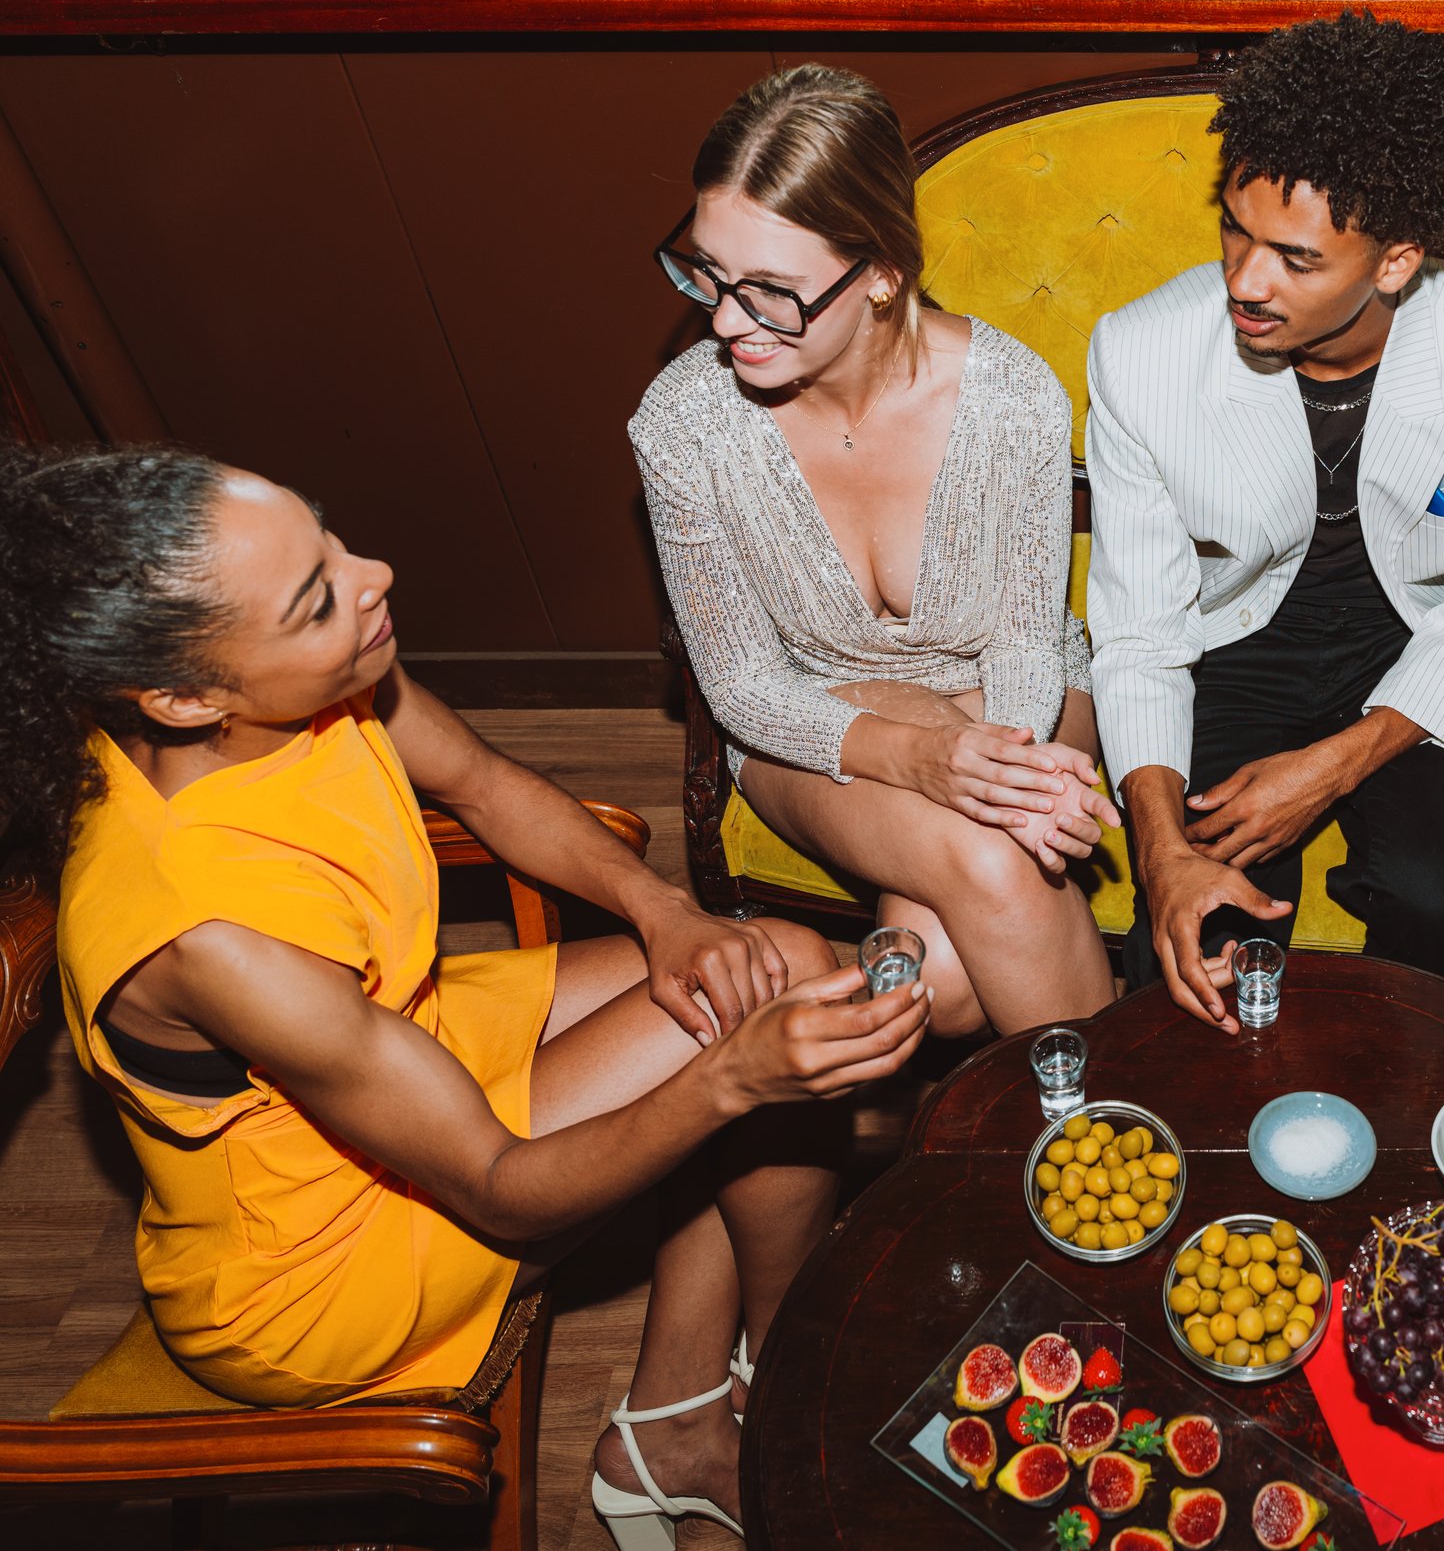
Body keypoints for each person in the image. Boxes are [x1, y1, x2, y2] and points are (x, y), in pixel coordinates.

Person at [0, 447, 930, 1545]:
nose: (374, 575)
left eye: (329, 537)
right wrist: (730, 1080)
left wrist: (666, 912)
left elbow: (486, 786)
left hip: (406, 1040)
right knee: (746, 1039)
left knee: (773, 961)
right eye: (315, 598)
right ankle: (785, 1387)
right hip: (326, 1263)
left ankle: (716, 1396)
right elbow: (501, 1190)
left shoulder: (308, 683)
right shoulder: (216, 939)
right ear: (185, 696)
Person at [1085, 12, 1444, 1024]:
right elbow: (1139, 634)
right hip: (1233, 641)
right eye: (1234, 229)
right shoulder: (1140, 355)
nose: (1244, 281)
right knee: (1198, 933)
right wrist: (1161, 853)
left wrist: (1333, 766)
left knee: (1435, 902)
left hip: (1417, 642)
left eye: (1296, 260)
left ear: (1395, 261)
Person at [634, 63, 1115, 1039]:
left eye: (772, 292)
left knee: (943, 981)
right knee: (992, 861)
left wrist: (993, 763)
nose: (724, 320)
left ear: (884, 274)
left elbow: (1026, 642)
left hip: (1016, 697)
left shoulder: (1012, 398)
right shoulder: (683, 426)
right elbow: (741, 687)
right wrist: (929, 755)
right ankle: (1115, 1114)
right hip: (808, 721)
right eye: (708, 272)